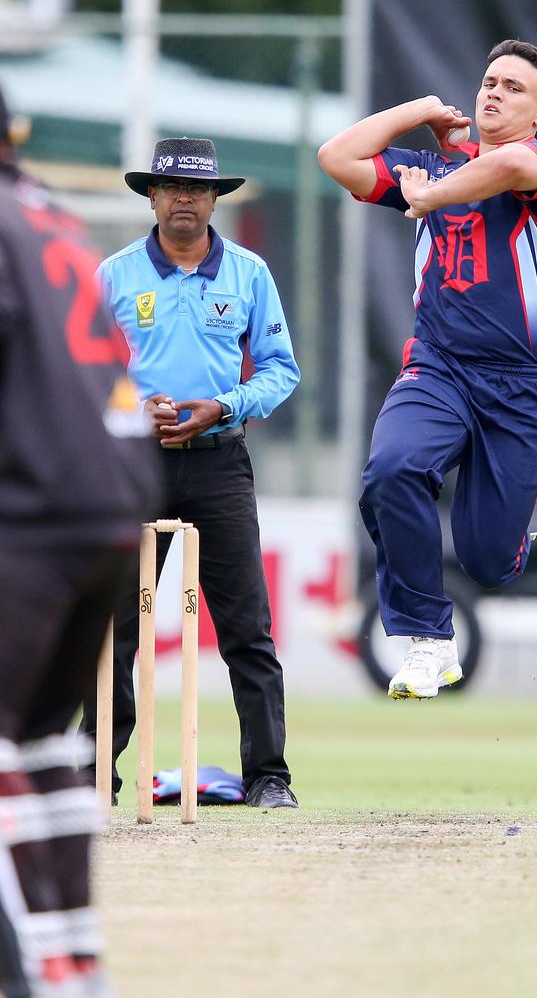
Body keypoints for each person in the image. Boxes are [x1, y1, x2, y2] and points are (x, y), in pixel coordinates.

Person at [318, 40, 537, 698]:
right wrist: (419, 109)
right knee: (392, 470)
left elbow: (510, 164)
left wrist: (432, 193)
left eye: (515, 88)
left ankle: (510, 532)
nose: (494, 93)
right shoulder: (433, 166)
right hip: (438, 366)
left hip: (523, 388)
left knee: (488, 560)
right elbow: (338, 158)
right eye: (489, 81)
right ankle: (429, 639)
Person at [80, 136, 301, 809]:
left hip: (219, 461)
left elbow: (280, 370)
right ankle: (96, 782)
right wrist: (128, 408)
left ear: (214, 199)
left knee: (247, 629)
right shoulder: (114, 275)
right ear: (151, 195)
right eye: (173, 188)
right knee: (113, 629)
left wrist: (224, 406)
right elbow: (81, 373)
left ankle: (269, 777)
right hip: (132, 465)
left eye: (198, 190)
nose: (184, 200)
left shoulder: (248, 274)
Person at [0, 86, 161, 997]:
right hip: (112, 503)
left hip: (33, 511)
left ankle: (28, 974)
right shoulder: (48, 212)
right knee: (41, 743)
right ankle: (71, 967)